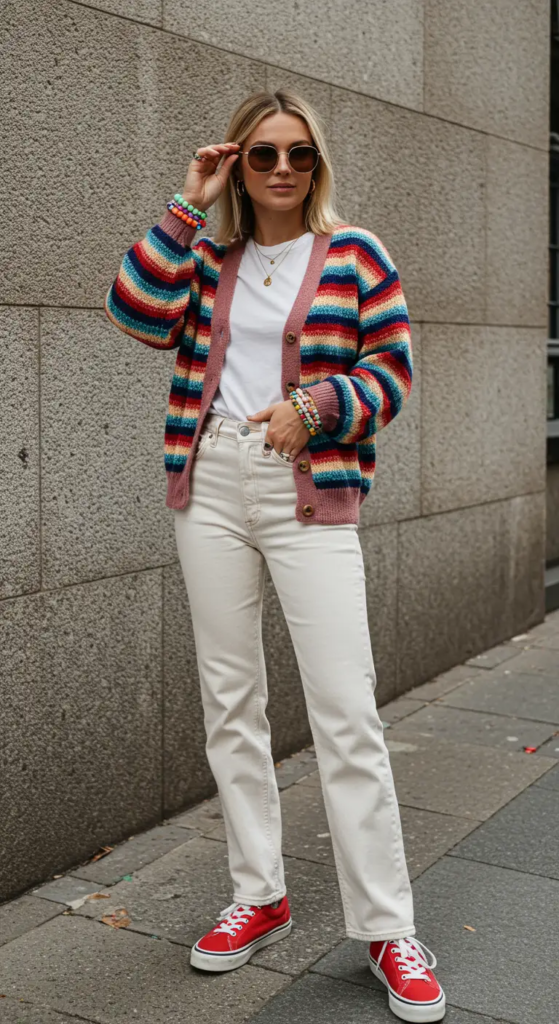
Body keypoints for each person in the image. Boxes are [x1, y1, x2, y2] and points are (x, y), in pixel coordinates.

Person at [105, 88, 445, 1023]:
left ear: (317, 161)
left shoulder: (355, 253)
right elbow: (130, 311)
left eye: (298, 153)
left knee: (344, 709)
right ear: (238, 165)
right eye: (262, 155)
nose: (283, 169)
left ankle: (386, 927)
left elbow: (393, 368)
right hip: (208, 479)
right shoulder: (207, 259)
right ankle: (259, 894)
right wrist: (186, 201)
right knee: (231, 699)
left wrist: (318, 409)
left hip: (308, 488)